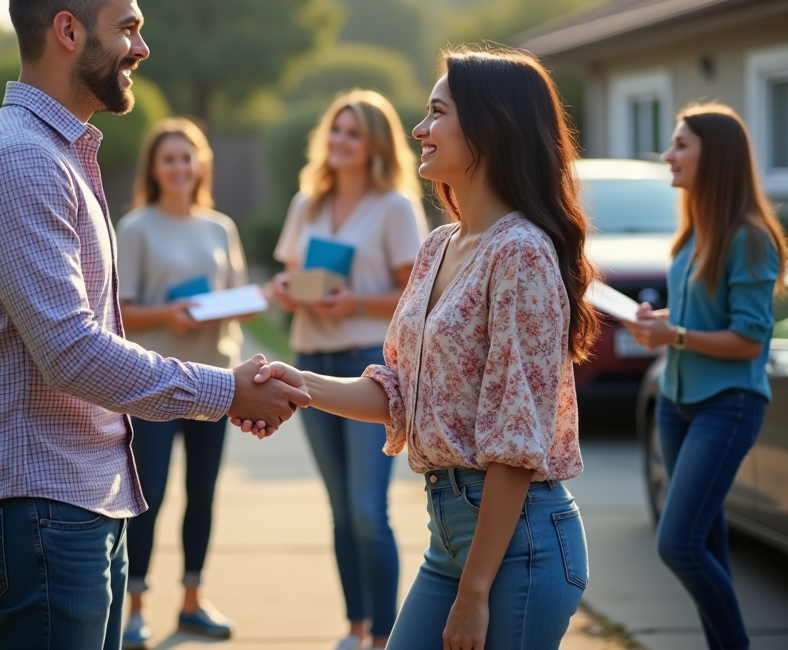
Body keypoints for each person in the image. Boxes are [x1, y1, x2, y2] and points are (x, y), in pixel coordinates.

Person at [0, 0, 309, 650]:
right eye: (128, 27)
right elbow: (71, 352)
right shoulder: (21, 160)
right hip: (40, 496)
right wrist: (225, 391)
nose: (142, 47)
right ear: (68, 32)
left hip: (75, 490)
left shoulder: (56, 152)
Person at [244, 47, 599, 649]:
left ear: (491, 126)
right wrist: (295, 383)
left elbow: (516, 444)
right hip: (450, 540)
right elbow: (401, 392)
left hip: (519, 548)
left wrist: (476, 592)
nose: (419, 129)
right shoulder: (439, 246)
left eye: (437, 113)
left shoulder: (522, 253)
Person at [623, 103, 788, 650]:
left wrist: (677, 337)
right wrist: (660, 323)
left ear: (713, 157)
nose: (668, 156)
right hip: (675, 403)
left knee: (679, 545)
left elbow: (749, 339)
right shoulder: (692, 235)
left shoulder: (750, 238)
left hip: (728, 405)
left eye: (680, 145)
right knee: (706, 542)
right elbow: (697, 318)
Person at [270, 89, 427, 650]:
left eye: (353, 133)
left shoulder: (394, 207)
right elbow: (288, 279)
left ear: (374, 145)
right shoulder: (305, 205)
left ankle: (384, 637)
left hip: (366, 368)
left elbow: (415, 295)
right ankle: (355, 627)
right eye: (335, 130)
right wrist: (287, 292)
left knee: (367, 509)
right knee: (340, 510)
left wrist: (355, 304)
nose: (340, 141)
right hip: (311, 357)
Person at [115, 119, 246, 647]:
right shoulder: (136, 228)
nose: (178, 168)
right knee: (150, 497)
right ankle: (136, 607)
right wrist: (170, 314)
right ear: (154, 168)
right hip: (156, 384)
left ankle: (193, 600)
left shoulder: (220, 227)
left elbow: (240, 298)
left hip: (215, 380)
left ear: (200, 165)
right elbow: (117, 313)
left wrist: (223, 311)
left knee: (202, 493)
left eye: (187, 158)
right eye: (168, 159)